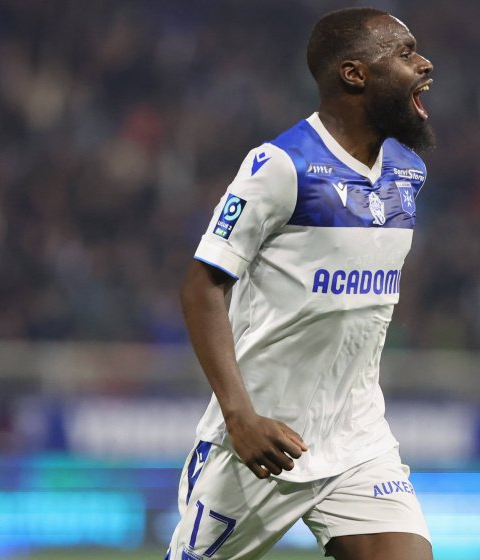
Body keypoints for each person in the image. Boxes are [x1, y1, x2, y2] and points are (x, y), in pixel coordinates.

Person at [167, 7, 435, 559]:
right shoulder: (281, 166)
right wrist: (240, 418)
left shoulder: (407, 171)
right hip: (263, 441)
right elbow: (201, 287)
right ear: (354, 74)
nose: (424, 64)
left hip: (358, 440)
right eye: (405, 53)